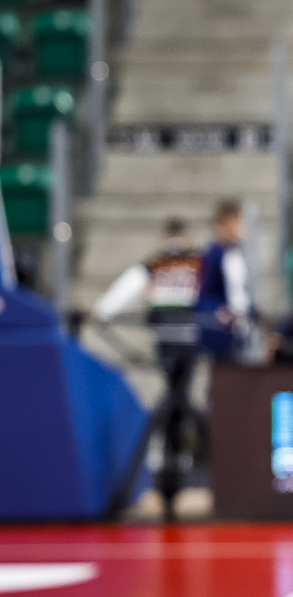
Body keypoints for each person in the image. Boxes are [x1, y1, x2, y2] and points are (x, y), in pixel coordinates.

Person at [91, 217, 204, 520]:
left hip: (178, 343)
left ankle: (175, 472)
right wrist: (103, 311)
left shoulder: (176, 263)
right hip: (179, 344)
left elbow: (120, 294)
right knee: (175, 405)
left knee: (176, 406)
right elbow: (124, 291)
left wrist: (102, 311)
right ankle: (172, 475)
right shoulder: (186, 263)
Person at [196, 198, 254, 359]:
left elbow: (240, 292)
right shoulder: (212, 256)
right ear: (225, 225)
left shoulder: (237, 255)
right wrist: (219, 311)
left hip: (240, 329)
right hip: (222, 333)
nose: (242, 228)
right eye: (238, 223)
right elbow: (204, 294)